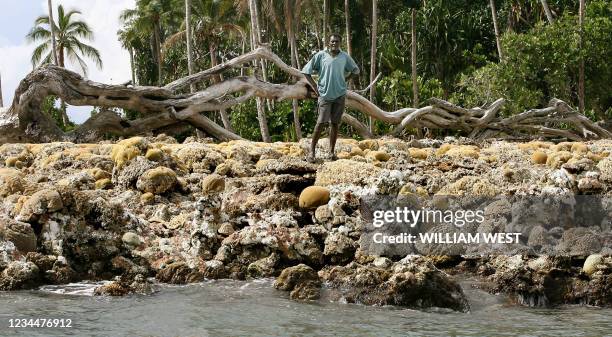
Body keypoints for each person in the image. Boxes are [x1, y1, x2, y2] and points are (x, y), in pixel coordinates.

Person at [302, 33, 360, 162]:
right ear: (329, 43)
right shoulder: (321, 56)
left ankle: (331, 152)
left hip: (339, 95)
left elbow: (356, 70)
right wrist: (315, 87)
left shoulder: (344, 57)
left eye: (337, 41)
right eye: (332, 41)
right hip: (324, 95)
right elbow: (306, 71)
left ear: (340, 43)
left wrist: (346, 79)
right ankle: (311, 152)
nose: (334, 43)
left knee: (335, 123)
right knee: (321, 123)